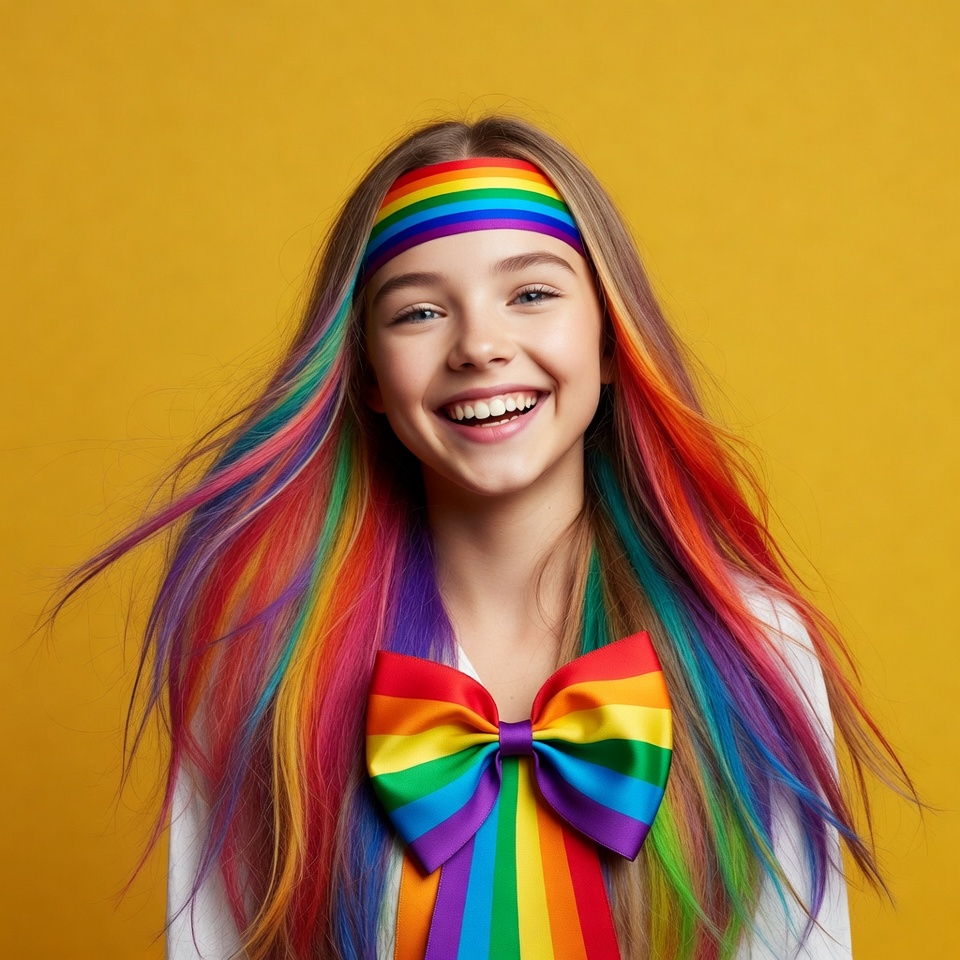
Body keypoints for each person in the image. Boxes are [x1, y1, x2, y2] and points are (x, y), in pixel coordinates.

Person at [66, 116, 904, 959]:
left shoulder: (750, 645)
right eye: (419, 311)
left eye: (532, 294)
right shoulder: (258, 673)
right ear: (368, 379)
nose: (480, 346)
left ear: (611, 339)